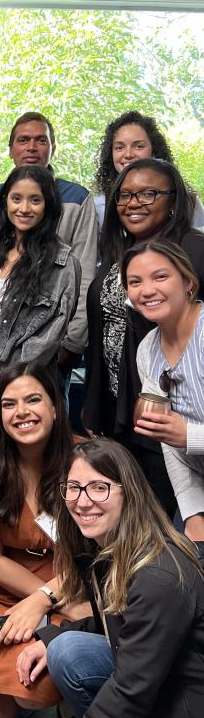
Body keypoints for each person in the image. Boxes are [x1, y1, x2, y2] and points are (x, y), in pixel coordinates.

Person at [16, 438, 204, 718]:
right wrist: (52, 637)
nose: (82, 501)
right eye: (74, 488)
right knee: (66, 649)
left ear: (129, 493)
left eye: (99, 488)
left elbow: (131, 692)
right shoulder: (111, 549)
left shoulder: (158, 576)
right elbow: (125, 620)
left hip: (186, 699)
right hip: (159, 674)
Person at [0, 362, 84, 718]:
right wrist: (38, 598)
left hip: (73, 580)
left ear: (55, 408)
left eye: (33, 399)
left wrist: (48, 599)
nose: (22, 412)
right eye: (8, 404)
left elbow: (104, 553)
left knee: (33, 691)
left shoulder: (86, 461)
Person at [83, 158, 204, 514]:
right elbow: (102, 333)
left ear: (173, 200)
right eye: (125, 195)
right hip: (129, 409)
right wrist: (95, 407)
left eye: (148, 193)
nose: (133, 203)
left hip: (181, 416)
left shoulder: (194, 249)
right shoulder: (118, 253)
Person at [0, 112, 98, 384]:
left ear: (53, 148)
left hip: (52, 350)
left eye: (41, 140)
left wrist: (72, 342)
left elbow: (84, 275)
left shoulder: (77, 199)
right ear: (11, 149)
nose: (32, 147)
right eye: (23, 140)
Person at [0, 165, 81, 419]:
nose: (24, 208)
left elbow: (42, 344)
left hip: (27, 394)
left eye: (35, 200)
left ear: (48, 205)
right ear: (5, 202)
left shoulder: (63, 264)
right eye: (17, 198)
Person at [123, 240, 204, 543]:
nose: (146, 290)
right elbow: (168, 438)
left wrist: (191, 436)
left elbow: (181, 435)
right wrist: (193, 511)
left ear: (188, 282)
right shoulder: (148, 349)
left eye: (160, 277)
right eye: (135, 282)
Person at [93, 109, 204, 229]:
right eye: (119, 147)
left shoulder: (187, 202)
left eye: (139, 146)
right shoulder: (98, 204)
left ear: (154, 150)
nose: (128, 154)